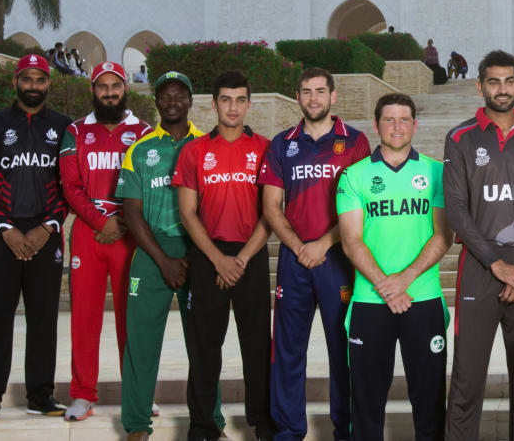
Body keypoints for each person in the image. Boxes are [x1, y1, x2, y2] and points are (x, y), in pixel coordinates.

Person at [442, 50, 514, 441]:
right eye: (493, 82)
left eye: (509, 81)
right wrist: (496, 264)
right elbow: (457, 211)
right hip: (480, 268)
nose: (502, 89)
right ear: (480, 86)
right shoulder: (460, 138)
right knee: (467, 378)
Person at [261, 68, 370, 441]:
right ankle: (289, 429)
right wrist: (298, 247)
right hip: (295, 259)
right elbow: (272, 206)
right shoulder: (281, 144)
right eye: (306, 92)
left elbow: (361, 207)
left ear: (333, 96)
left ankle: (346, 427)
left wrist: (323, 244)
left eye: (320, 91)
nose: (313, 98)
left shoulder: (355, 142)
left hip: (338, 257)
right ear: (298, 97)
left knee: (343, 346)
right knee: (288, 348)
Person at [338, 93, 453, 441]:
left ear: (415, 125)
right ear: (376, 125)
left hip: (423, 298)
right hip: (371, 302)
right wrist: (385, 286)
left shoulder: (437, 172)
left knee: (430, 400)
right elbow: (351, 241)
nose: (397, 126)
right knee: (366, 402)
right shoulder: (353, 176)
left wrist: (403, 280)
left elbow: (443, 236)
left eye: (404, 119)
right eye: (389, 119)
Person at [115, 71, 222, 441]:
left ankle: (211, 423)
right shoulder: (141, 149)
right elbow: (131, 212)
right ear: (156, 102)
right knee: (141, 343)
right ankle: (136, 424)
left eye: (180, 95)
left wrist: (200, 253)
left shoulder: (209, 145)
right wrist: (163, 261)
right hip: (153, 250)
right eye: (165, 96)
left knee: (204, 344)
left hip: (198, 250)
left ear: (191, 101)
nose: (172, 101)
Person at [0, 53, 70, 421]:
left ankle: (41, 395)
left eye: (40, 79)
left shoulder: (64, 127)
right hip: (1, 238)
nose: (33, 86)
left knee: (43, 318)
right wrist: (6, 228)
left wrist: (48, 227)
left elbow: (68, 185)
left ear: (48, 84)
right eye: (26, 79)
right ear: (15, 83)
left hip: (47, 236)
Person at [175, 71, 276, 441]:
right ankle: (203, 425)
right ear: (213, 104)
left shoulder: (266, 149)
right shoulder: (194, 150)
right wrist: (218, 259)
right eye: (225, 100)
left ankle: (262, 421)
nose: (232, 107)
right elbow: (187, 212)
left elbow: (272, 212)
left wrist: (242, 259)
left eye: (239, 100)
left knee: (256, 344)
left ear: (248, 104)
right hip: (207, 255)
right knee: (204, 345)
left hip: (251, 254)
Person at [58, 61, 153, 421]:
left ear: (125, 89)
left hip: (129, 234)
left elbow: (146, 184)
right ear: (93, 91)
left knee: (134, 318)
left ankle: (139, 392)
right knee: (84, 317)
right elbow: (71, 186)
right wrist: (101, 221)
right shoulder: (75, 131)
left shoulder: (142, 132)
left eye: (116, 86)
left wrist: (123, 224)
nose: (110, 93)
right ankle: (82, 395)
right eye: (103, 87)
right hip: (88, 233)